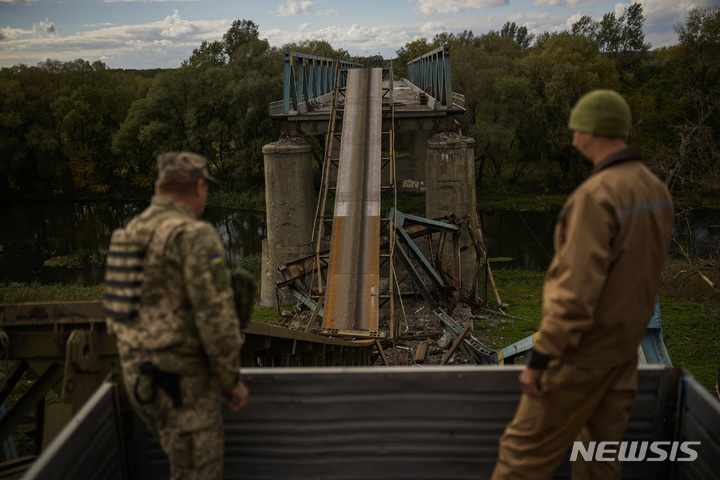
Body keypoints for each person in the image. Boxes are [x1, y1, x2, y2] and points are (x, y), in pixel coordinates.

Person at [492, 90, 674, 480]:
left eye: (577, 129)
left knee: (522, 456)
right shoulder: (655, 191)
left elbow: (574, 292)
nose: (573, 139)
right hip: (623, 357)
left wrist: (541, 359)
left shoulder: (596, 197)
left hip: (580, 356)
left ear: (593, 132)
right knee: (599, 461)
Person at [103, 151, 249, 480]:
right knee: (198, 472)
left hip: (138, 380)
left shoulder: (129, 233)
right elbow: (215, 317)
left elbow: (120, 314)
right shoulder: (193, 235)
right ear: (199, 186)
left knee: (180, 462)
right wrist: (231, 380)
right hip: (180, 383)